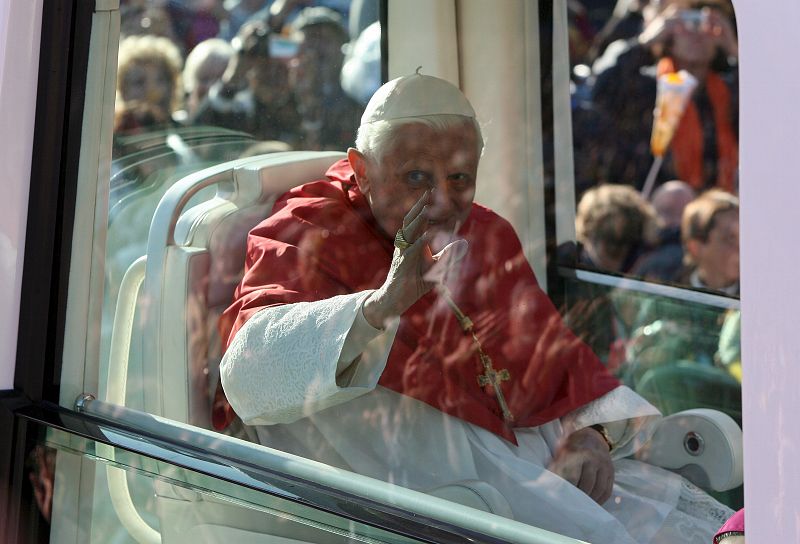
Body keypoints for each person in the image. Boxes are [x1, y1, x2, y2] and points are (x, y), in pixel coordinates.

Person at [216, 72, 733, 543]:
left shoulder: (486, 232)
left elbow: (558, 364)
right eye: (416, 177)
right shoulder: (305, 231)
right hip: (435, 501)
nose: (442, 200)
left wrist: (594, 435)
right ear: (362, 170)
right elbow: (247, 374)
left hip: (546, 467)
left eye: (460, 178)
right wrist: (379, 307)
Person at [590, 0, 738, 192]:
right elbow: (600, 92)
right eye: (685, 22)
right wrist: (647, 40)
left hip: (720, 208)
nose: (695, 33)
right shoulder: (646, 86)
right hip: (654, 204)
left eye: (703, 22)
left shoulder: (730, 92)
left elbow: (771, 107)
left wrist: (735, 49)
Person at [680, 188, 739, 295]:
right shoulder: (671, 296)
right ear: (696, 247)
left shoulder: (760, 294)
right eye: (730, 238)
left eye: (743, 238)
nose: (740, 248)